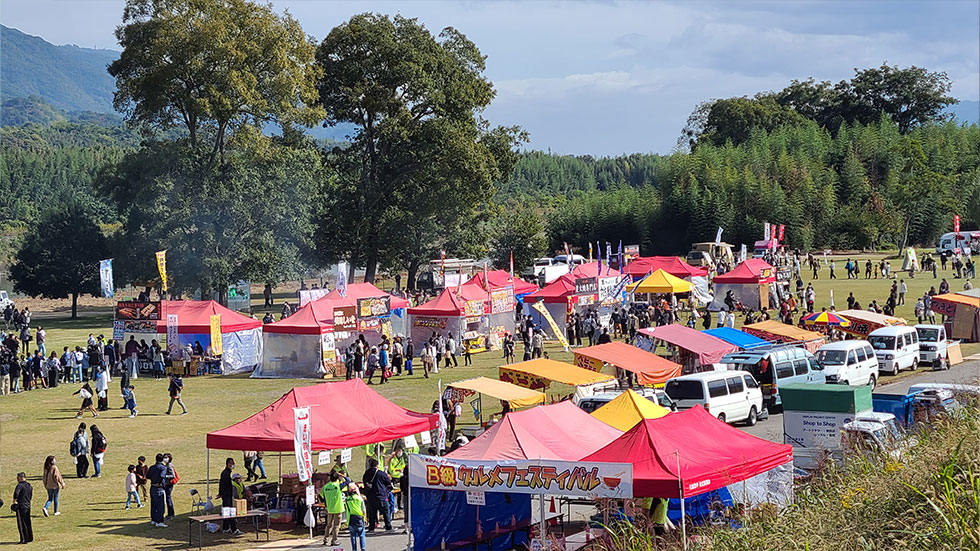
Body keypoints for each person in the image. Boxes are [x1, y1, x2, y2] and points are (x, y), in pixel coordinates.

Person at [362, 457, 393, 532]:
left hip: (370, 496)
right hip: (381, 495)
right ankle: (388, 527)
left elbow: (364, 482)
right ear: (377, 465)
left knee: (372, 512)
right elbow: (388, 482)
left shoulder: (366, 473)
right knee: (386, 511)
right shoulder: (381, 474)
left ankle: (371, 527)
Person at [218, 457, 243, 535]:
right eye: (230, 463)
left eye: (233, 463)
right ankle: (233, 529)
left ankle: (226, 528)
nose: (232, 465)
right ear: (227, 464)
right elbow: (222, 484)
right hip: (227, 496)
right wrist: (221, 493)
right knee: (230, 512)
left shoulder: (227, 473)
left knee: (227, 512)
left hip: (227, 496)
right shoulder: (225, 473)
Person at [320, 472, 344, 546]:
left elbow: (321, 497)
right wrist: (343, 476)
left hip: (329, 508)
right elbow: (348, 481)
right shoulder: (338, 486)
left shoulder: (325, 487)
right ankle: (334, 540)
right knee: (336, 525)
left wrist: (326, 504)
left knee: (329, 525)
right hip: (338, 508)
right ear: (337, 478)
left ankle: (325, 539)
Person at [147, 453, 171, 527]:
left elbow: (147, 476)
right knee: (160, 505)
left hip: (152, 487)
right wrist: (160, 482)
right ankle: (159, 521)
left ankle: (153, 520)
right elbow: (162, 476)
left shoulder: (152, 467)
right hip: (159, 487)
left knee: (153, 505)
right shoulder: (163, 468)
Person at [344, 483, 367, 551]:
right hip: (359, 518)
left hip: (350, 518)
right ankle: (363, 549)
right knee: (361, 535)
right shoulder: (359, 498)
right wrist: (365, 518)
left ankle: (354, 549)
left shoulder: (347, 499)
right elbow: (363, 510)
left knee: (353, 536)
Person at [13, 472, 33, 544]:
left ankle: (24, 539)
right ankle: (30, 537)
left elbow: (16, 494)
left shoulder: (19, 485)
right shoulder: (29, 485)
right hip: (27, 505)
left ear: (20, 478)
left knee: (22, 523)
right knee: (28, 522)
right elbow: (30, 495)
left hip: (21, 506)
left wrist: (15, 501)